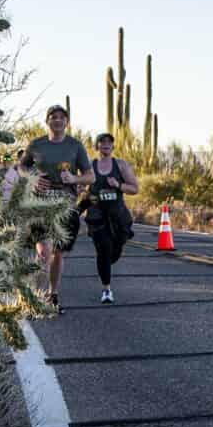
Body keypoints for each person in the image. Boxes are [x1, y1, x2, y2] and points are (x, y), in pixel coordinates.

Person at [22, 106, 91, 312]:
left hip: (65, 202)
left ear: (67, 122)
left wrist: (74, 178)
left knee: (58, 254)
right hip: (40, 203)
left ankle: (53, 295)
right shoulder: (37, 144)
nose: (57, 120)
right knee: (44, 252)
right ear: (47, 121)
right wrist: (32, 179)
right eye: (53, 117)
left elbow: (90, 176)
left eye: (62, 117)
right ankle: (36, 299)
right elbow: (22, 166)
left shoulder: (75, 146)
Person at [79, 132, 140, 303]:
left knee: (115, 249)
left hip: (118, 214)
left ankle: (110, 257)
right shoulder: (90, 166)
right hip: (97, 215)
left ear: (113, 146)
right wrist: (82, 191)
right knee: (103, 250)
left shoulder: (120, 165)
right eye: (102, 142)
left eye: (109, 142)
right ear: (97, 146)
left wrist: (118, 185)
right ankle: (107, 290)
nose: (105, 145)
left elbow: (135, 189)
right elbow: (82, 188)